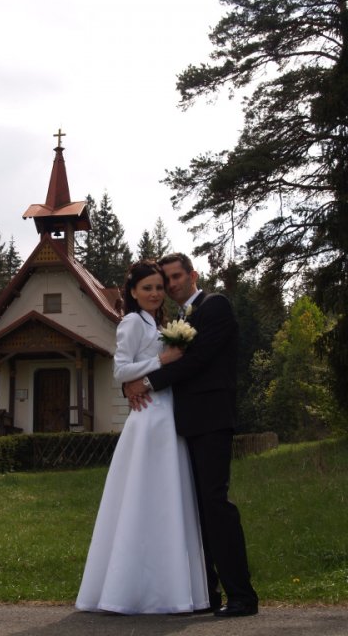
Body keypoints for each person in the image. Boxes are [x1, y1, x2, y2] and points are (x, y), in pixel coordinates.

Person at [124, 253, 259, 618]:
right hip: (184, 424)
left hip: (212, 419)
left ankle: (242, 595)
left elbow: (197, 361)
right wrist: (133, 383)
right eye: (165, 280)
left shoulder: (215, 306)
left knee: (215, 504)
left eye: (176, 277)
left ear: (193, 275)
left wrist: (145, 383)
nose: (171, 285)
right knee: (196, 509)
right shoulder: (178, 320)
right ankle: (206, 594)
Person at [76, 260, 209, 615]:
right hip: (149, 417)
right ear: (133, 292)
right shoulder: (133, 322)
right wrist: (162, 360)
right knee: (141, 496)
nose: (154, 293)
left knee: (165, 500)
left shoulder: (158, 323)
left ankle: (168, 589)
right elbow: (120, 369)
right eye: (147, 288)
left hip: (167, 415)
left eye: (159, 288)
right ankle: (127, 590)